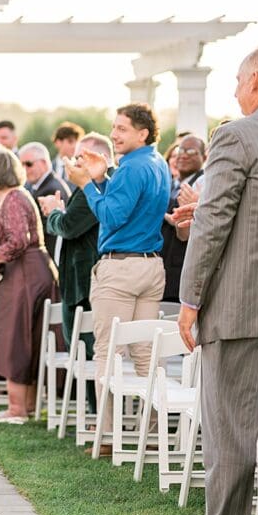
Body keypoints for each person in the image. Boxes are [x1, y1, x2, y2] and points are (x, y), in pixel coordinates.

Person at [174, 43, 258, 515]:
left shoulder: (238, 135)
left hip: (241, 313)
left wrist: (190, 300)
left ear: (256, 80)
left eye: (236, 80)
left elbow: (213, 225)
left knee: (231, 440)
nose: (234, 91)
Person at [66, 103, 170, 457]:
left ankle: (108, 436)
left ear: (142, 133)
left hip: (121, 268)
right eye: (114, 127)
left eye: (122, 129)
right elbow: (133, 204)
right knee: (146, 352)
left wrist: (86, 187)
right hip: (151, 266)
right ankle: (152, 433)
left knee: (108, 351)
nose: (114, 134)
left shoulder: (130, 168)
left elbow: (111, 214)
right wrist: (100, 178)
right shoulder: (157, 164)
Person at [0, 148, 56, 424]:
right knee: (21, 336)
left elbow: (18, 241)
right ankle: (25, 406)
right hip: (22, 272)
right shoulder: (12, 197)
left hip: (26, 275)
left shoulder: (15, 198)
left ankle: (17, 408)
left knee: (16, 336)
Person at [39, 132, 115, 413]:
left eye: (80, 157)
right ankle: (96, 416)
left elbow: (69, 226)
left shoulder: (92, 190)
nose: (73, 162)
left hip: (84, 281)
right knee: (82, 350)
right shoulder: (92, 188)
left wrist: (53, 213)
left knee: (87, 350)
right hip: (79, 277)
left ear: (99, 159)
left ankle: (99, 418)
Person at [160, 134, 206, 301]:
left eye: (192, 151)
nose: (184, 154)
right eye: (181, 149)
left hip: (181, 268)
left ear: (204, 157)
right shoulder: (170, 183)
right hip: (162, 263)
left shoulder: (202, 183)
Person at [18, 141, 70, 260]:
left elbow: (46, 231)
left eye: (29, 164)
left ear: (44, 163)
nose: (24, 169)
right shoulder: (40, 186)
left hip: (48, 259)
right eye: (21, 165)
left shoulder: (51, 189)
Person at [51, 121, 85, 187]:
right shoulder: (49, 168)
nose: (74, 146)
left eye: (77, 142)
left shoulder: (82, 168)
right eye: (70, 141)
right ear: (58, 142)